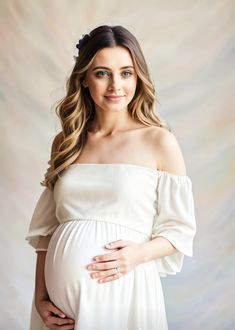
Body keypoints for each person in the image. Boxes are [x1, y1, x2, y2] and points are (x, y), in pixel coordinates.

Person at [25, 25, 197, 330]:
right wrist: (40, 298)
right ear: (85, 79)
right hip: (60, 312)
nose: (115, 85)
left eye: (126, 73)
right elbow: (46, 233)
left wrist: (138, 254)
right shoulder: (68, 143)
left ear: (137, 77)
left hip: (124, 291)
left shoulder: (159, 142)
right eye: (102, 73)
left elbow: (180, 230)